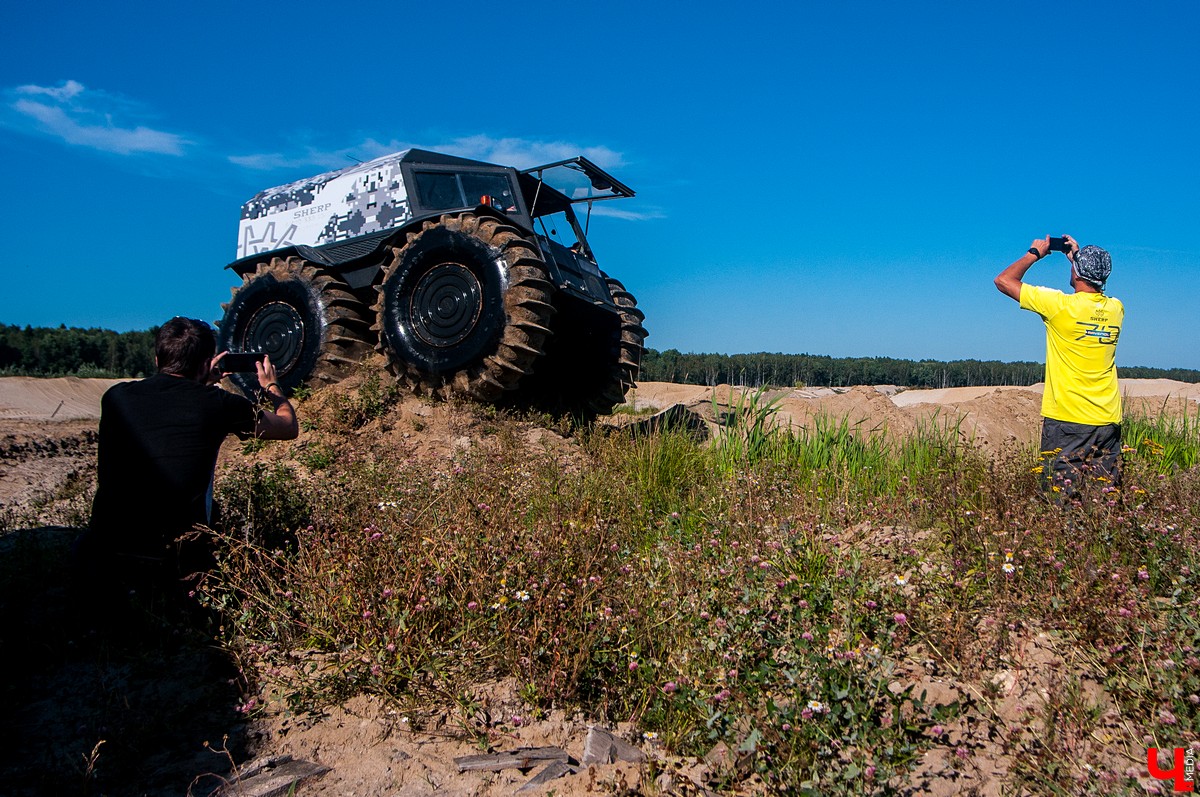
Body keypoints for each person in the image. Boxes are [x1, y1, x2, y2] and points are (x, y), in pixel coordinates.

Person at [74, 317, 298, 611]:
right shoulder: (219, 403)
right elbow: (287, 426)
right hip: (178, 557)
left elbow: (172, 404)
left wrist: (200, 380)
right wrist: (272, 387)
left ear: (157, 359)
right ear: (206, 363)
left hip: (109, 548)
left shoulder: (115, 397)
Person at [994, 235, 1124, 500]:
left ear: (1076, 272)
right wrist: (1077, 259)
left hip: (1068, 420)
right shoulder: (1116, 309)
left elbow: (1004, 281)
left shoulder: (1060, 306)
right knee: (1102, 501)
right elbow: (1092, 286)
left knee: (1060, 499)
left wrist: (1034, 253)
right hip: (1107, 419)